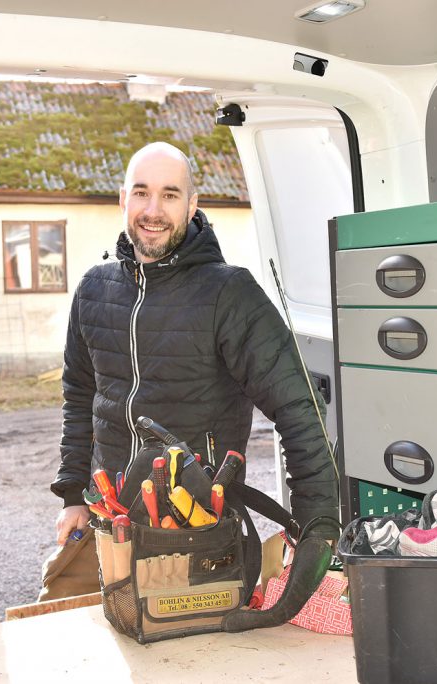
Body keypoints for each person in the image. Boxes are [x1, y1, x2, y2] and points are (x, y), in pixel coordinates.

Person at [41, 142, 339, 600]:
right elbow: (80, 399)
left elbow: (299, 408)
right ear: (123, 199)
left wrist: (316, 522)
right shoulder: (93, 289)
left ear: (192, 204)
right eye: (141, 193)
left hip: (195, 527)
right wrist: (71, 496)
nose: (153, 210)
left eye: (170, 195)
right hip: (110, 519)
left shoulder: (229, 293)